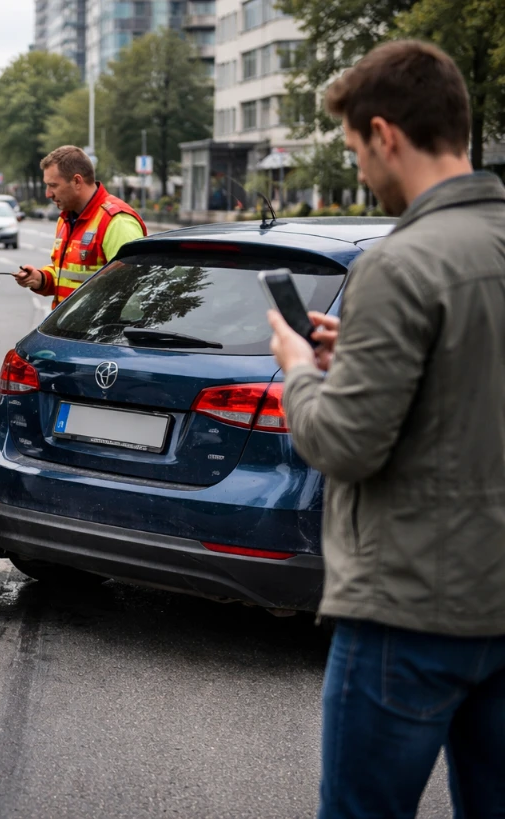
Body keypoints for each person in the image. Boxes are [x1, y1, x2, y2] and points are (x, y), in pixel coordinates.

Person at [265, 41, 505, 818]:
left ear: (386, 134)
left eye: (356, 152)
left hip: (410, 608)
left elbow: (343, 442)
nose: (361, 172)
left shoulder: (399, 265)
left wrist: (300, 367)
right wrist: (365, 352)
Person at [14, 145, 146, 308]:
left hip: (98, 331)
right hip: (70, 329)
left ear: (77, 181)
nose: (48, 194)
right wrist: (41, 279)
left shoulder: (117, 221)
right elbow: (70, 276)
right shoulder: (66, 218)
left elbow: (131, 288)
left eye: (53, 185)